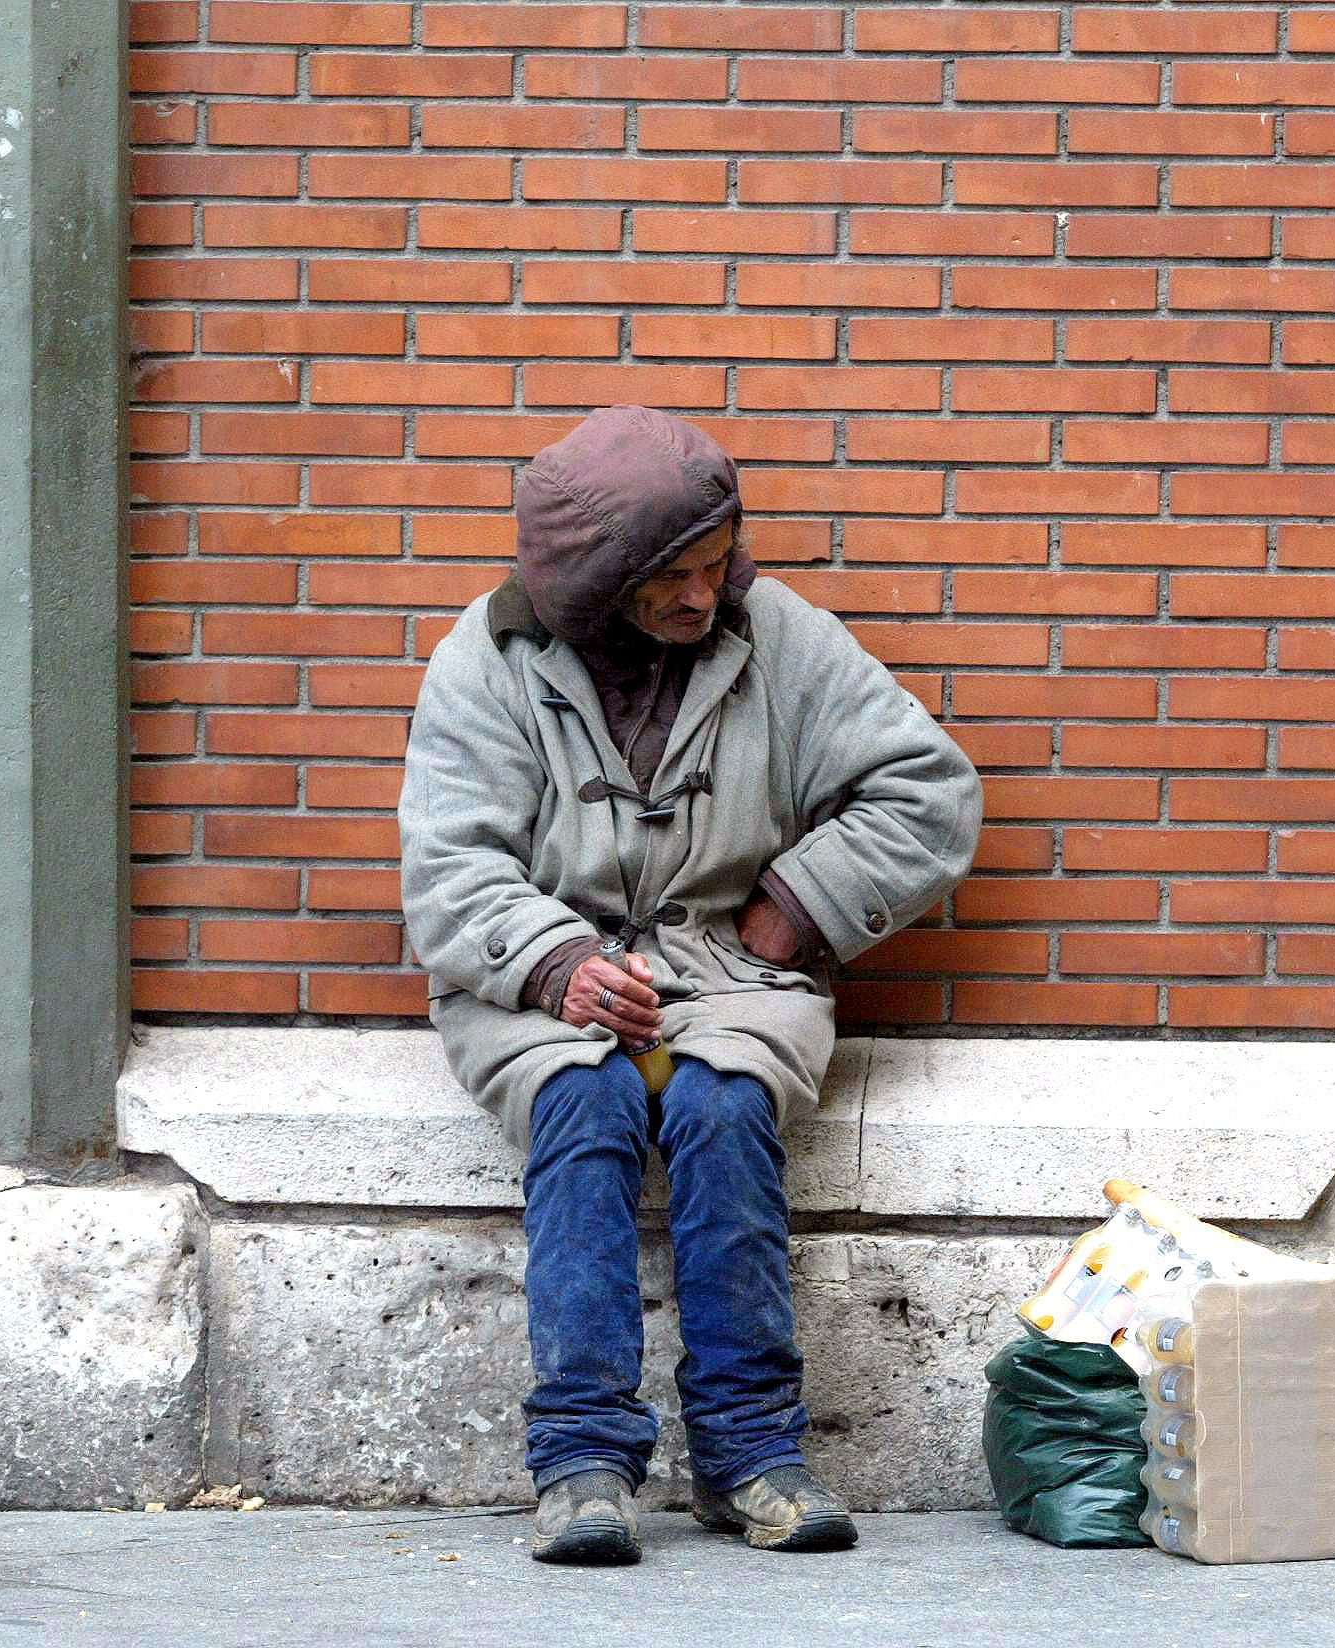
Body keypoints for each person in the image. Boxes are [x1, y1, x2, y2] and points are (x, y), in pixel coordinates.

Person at [397, 406, 984, 1564]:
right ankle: (579, 1461)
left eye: (717, 566)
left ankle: (751, 1456)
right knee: (588, 1105)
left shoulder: (778, 632)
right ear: (594, 578)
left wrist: (798, 907)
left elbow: (929, 789)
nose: (700, 598)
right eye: (670, 577)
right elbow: (450, 862)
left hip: (727, 967)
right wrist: (560, 962)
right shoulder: (490, 654)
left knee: (721, 1110)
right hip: (539, 979)